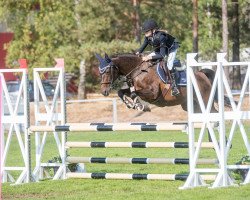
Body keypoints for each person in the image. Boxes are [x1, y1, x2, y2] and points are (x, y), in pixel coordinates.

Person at [135, 19, 180, 96]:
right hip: (161, 48)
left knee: (169, 65)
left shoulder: (161, 37)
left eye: (147, 31)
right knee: (148, 57)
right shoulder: (148, 37)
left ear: (154, 30)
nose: (145, 33)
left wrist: (148, 57)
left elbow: (162, 55)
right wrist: (137, 53)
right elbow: (142, 47)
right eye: (145, 31)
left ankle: (174, 87)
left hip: (171, 48)